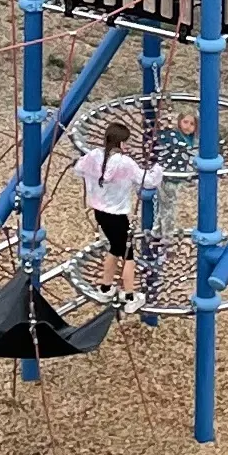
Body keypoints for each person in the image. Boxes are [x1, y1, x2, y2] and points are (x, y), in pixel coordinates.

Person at [73, 117, 151, 314]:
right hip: (117, 215)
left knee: (115, 249)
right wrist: (157, 168)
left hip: (100, 213)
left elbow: (78, 168)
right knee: (128, 254)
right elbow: (147, 181)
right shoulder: (125, 163)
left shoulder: (94, 156)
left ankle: (106, 288)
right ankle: (131, 296)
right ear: (122, 143)